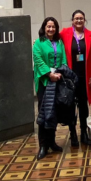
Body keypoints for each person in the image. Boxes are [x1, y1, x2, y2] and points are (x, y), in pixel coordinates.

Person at [60, 10, 91, 147]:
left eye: (81, 18)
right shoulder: (65, 33)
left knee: (83, 107)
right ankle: (73, 134)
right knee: (70, 107)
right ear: (72, 21)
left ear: (84, 20)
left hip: (85, 77)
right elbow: (52, 40)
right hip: (70, 78)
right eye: (76, 18)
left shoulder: (90, 35)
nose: (79, 21)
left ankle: (84, 133)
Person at [33, 17, 67, 160]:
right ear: (44, 28)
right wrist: (49, 74)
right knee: (44, 114)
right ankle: (43, 146)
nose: (51, 29)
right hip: (45, 82)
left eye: (53, 27)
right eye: (48, 27)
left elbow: (63, 59)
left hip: (57, 81)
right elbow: (38, 60)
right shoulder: (38, 43)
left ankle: (52, 142)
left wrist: (61, 72)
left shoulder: (59, 42)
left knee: (54, 112)